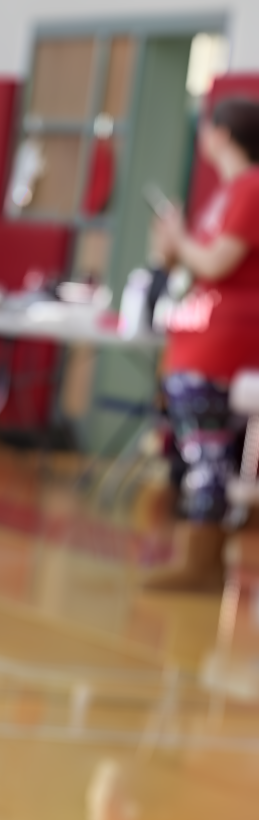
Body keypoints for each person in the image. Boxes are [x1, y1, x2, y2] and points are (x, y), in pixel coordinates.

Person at [142, 96, 259, 592]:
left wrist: (183, 240)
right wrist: (169, 247)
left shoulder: (251, 188)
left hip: (225, 342)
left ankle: (201, 560)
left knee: (207, 454)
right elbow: (193, 263)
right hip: (199, 337)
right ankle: (202, 558)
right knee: (200, 452)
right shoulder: (226, 193)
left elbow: (215, 264)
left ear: (222, 134)